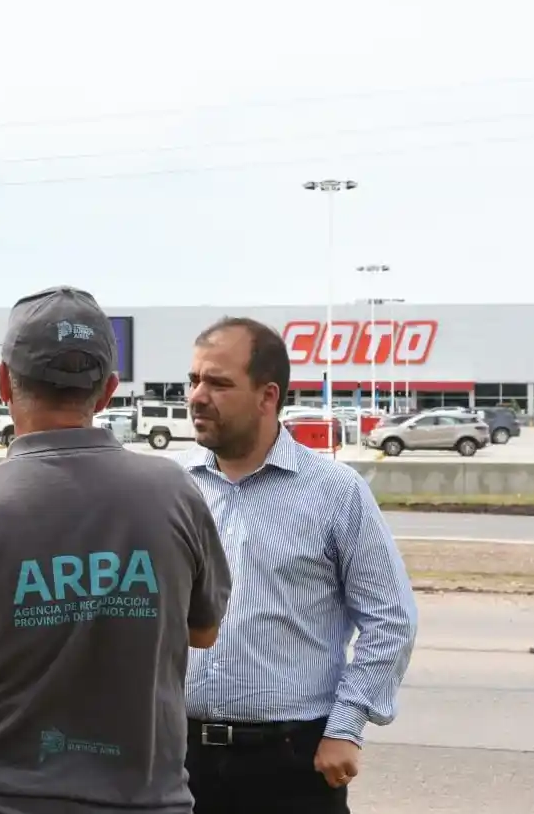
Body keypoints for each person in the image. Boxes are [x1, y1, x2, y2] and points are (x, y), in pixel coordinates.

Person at [0, 285, 232, 814]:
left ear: (4, 381)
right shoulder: (176, 494)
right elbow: (202, 631)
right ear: (110, 389)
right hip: (141, 801)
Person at [177, 317, 418, 814]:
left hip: (292, 764)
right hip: (179, 761)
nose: (197, 396)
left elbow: (390, 618)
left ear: (268, 396)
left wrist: (346, 726)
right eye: (194, 380)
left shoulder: (335, 492)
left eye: (218, 383)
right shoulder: (172, 488)